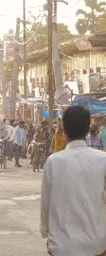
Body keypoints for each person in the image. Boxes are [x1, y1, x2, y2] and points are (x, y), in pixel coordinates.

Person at [40, 106, 106, 256]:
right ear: (88, 128)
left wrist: (46, 233)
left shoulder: (53, 162)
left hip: (61, 246)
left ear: (64, 129)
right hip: (95, 245)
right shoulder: (102, 159)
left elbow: (46, 204)